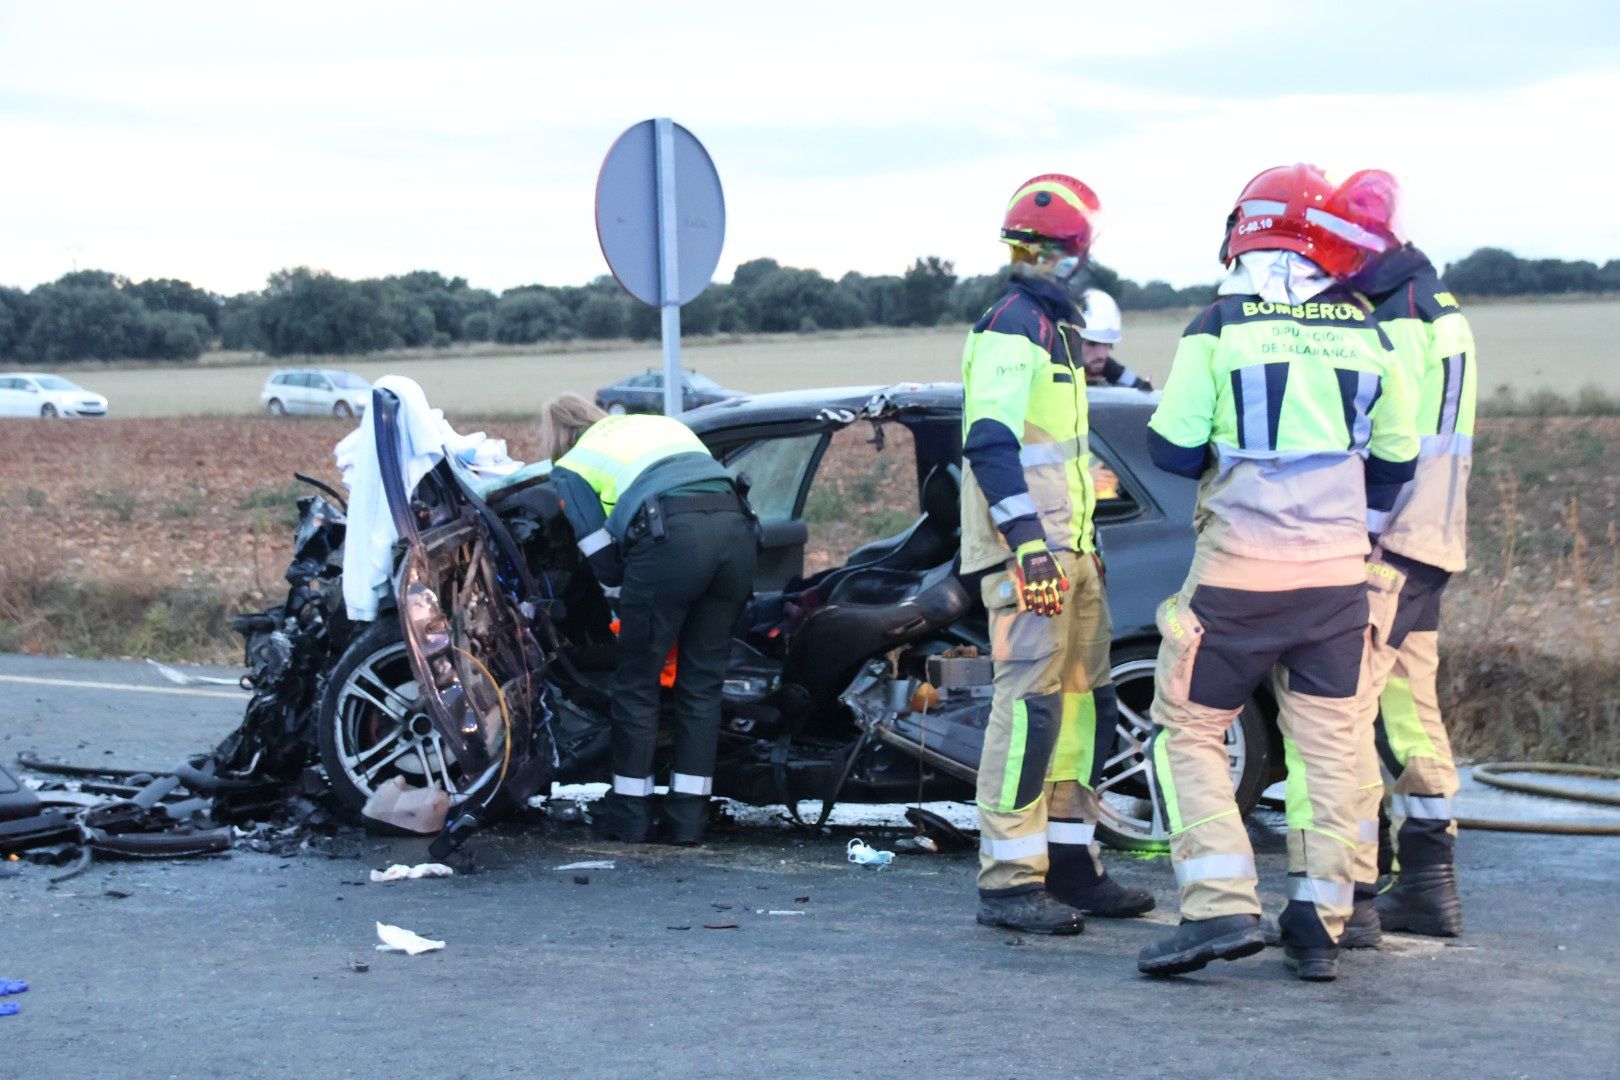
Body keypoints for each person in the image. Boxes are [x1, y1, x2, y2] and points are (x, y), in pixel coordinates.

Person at [1134, 163, 1418, 981]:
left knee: (1188, 730)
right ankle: (1321, 925)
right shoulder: (1367, 328)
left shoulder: (1219, 325)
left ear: (1245, 231)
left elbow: (1172, 446)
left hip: (1239, 576)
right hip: (1336, 584)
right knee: (1333, 750)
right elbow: (1398, 458)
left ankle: (1219, 906)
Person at [961, 173, 1155, 936]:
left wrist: (1082, 545)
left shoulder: (1057, 331)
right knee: (1032, 713)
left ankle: (1072, 862)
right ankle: (1009, 879)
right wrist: (1031, 550)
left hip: (1071, 554)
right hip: (1031, 561)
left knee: (1084, 707)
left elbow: (1063, 458)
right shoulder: (1013, 327)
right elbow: (990, 443)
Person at [1336, 170, 1476, 937]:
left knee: (1344, 712)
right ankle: (1429, 879)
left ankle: (1352, 894)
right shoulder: (1441, 308)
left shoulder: (1395, 322)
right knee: (1408, 709)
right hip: (1433, 542)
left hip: (1388, 544)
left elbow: (1377, 441)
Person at [542, 404, 758, 845]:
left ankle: (629, 815)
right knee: (702, 683)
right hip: (738, 533)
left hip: (670, 538)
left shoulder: (572, 464)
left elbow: (604, 564)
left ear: (561, 436)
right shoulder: (663, 426)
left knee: (637, 682)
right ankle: (687, 818)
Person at [1075, 289, 1152, 390]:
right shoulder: (1051, 373)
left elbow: (1142, 393)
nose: (1101, 355)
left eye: (1107, 344)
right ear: (1070, 341)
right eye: (1092, 344)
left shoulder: (1115, 372)